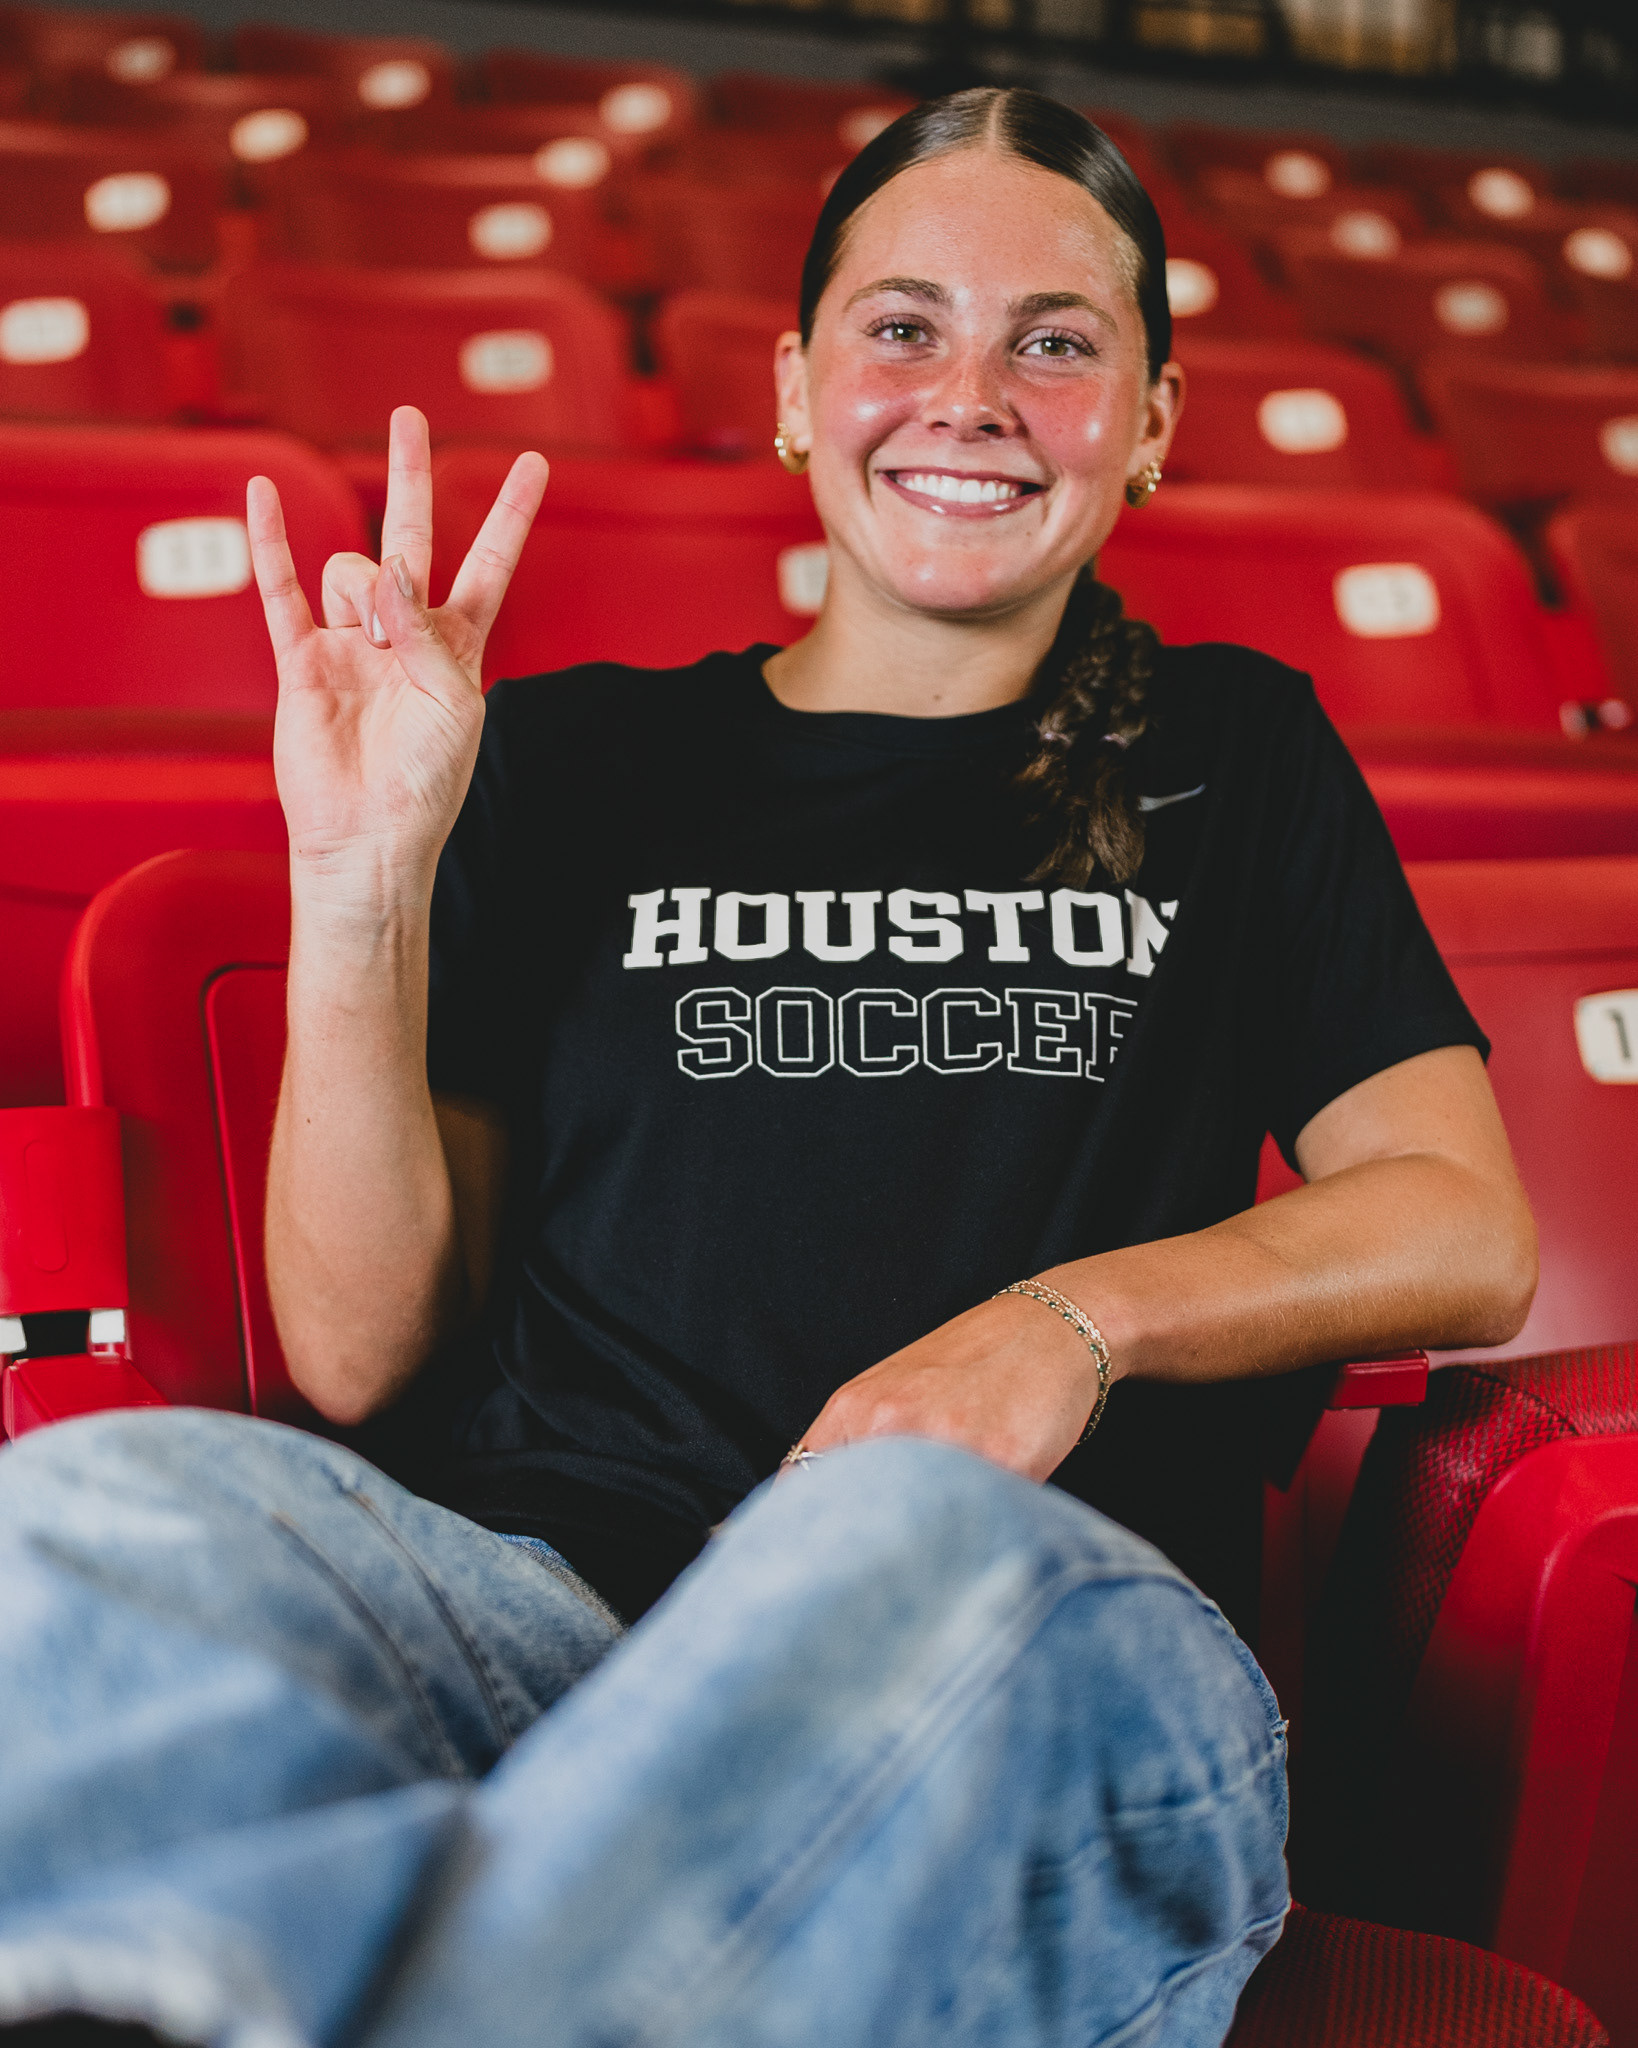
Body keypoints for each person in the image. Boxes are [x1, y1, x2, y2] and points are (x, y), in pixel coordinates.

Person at [0, 88, 1535, 2048]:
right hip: (552, 1620)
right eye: (902, 327)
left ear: (1150, 419)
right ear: (799, 390)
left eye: (1055, 343)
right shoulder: (561, 761)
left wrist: (1062, 1329)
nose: (969, 395)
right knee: (112, 1503)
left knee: (898, 1540)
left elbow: (1458, 1219)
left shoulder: (1233, 754)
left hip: (1026, 1622)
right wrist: (363, 876)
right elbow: (359, 1354)